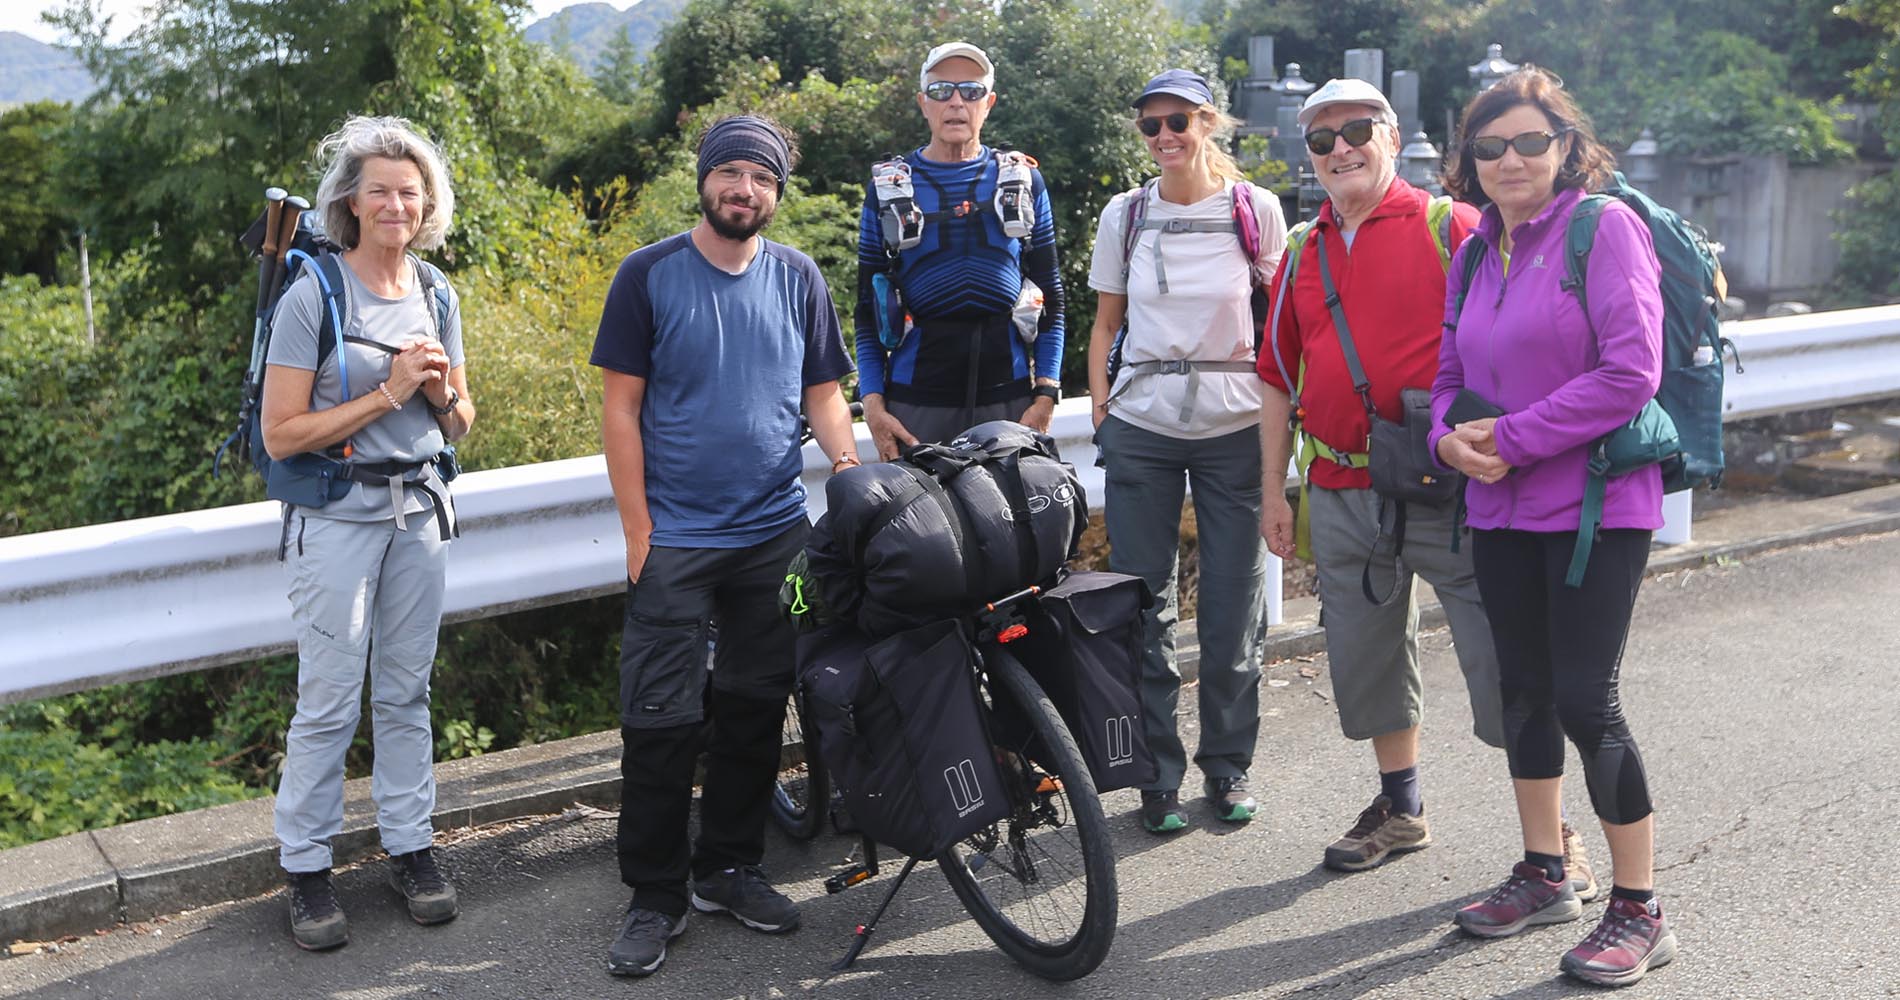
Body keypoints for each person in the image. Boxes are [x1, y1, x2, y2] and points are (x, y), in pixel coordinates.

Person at [1256, 78, 1578, 884]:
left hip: (1454, 483)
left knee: (1504, 659)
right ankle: (1400, 807)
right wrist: (1273, 492)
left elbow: (1526, 335)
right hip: (1337, 485)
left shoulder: (1450, 225)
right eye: (1323, 139)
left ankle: (1554, 837)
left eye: (1357, 129)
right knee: (1363, 657)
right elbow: (1275, 377)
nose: (1341, 149)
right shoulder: (1301, 248)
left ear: (1393, 137)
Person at [590, 114, 857, 979]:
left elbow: (822, 393)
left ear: (779, 193)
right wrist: (638, 528)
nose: (745, 191)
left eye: (763, 179)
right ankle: (656, 895)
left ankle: (729, 868)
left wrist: (849, 471)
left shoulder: (798, 276)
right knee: (661, 721)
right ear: (705, 180)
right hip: (675, 536)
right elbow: (621, 407)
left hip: (774, 531)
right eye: (732, 174)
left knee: (752, 708)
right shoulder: (648, 275)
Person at [1430, 68, 1675, 987]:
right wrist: (1449, 441)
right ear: (1471, 161)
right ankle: (1543, 868)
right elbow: (1448, 369)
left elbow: (1631, 371)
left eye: (1531, 141)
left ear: (1567, 146)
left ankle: (1640, 908)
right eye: (1489, 147)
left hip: (1596, 507)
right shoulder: (1473, 251)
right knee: (1522, 692)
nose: (1510, 160)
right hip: (1496, 501)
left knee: (1584, 697)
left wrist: (1518, 439)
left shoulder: (1602, 228)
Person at [263, 115, 474, 951]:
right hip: (337, 518)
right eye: (380, 190)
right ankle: (306, 868)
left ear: (428, 206)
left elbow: (461, 423)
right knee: (327, 699)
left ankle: (411, 847)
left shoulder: (437, 291)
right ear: (350, 202)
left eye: (410, 191)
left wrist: (437, 397)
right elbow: (282, 434)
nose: (396, 204)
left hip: (418, 513)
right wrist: (388, 392)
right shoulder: (314, 292)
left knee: (406, 690)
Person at [1087, 68, 1287, 834]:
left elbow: (1279, 324)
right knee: (1144, 607)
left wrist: (1283, 419)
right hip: (1144, 426)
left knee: (1235, 611)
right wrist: (1104, 408)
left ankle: (1228, 770)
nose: (1165, 137)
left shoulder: (1254, 209)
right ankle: (1156, 779)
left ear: (1209, 123)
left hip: (1236, 428)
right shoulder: (1126, 214)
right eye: (1151, 125)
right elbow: (1107, 321)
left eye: (1179, 122)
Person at [856, 41, 1065, 455]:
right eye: (940, 91)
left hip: (1008, 399)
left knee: (1012, 520)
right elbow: (866, 308)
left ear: (988, 103)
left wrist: (1046, 395)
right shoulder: (888, 189)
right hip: (916, 402)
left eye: (970, 91)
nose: (955, 102)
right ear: (923, 103)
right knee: (922, 522)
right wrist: (873, 404)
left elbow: (1052, 298)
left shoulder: (1023, 182)